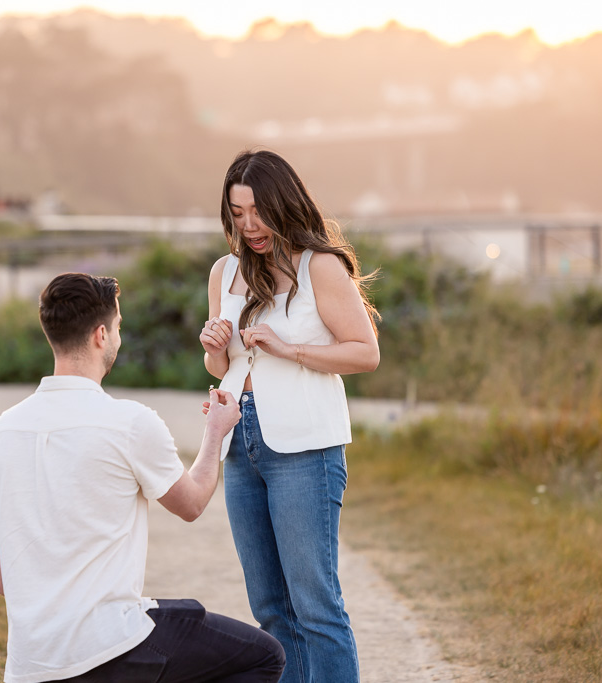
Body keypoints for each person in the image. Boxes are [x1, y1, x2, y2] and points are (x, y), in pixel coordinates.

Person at [0, 272, 285, 683]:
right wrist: (215, 432)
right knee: (263, 656)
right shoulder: (128, 422)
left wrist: (45, 603)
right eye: (117, 327)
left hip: (30, 667)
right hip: (111, 648)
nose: (118, 336)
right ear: (100, 335)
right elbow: (191, 503)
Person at [199, 150, 381, 683]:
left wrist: (288, 349)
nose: (249, 225)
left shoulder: (318, 266)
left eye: (258, 209)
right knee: (270, 608)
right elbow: (221, 361)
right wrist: (213, 345)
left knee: (316, 607)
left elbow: (364, 353)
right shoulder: (224, 272)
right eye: (237, 212)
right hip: (241, 442)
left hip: (305, 447)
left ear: (284, 202)